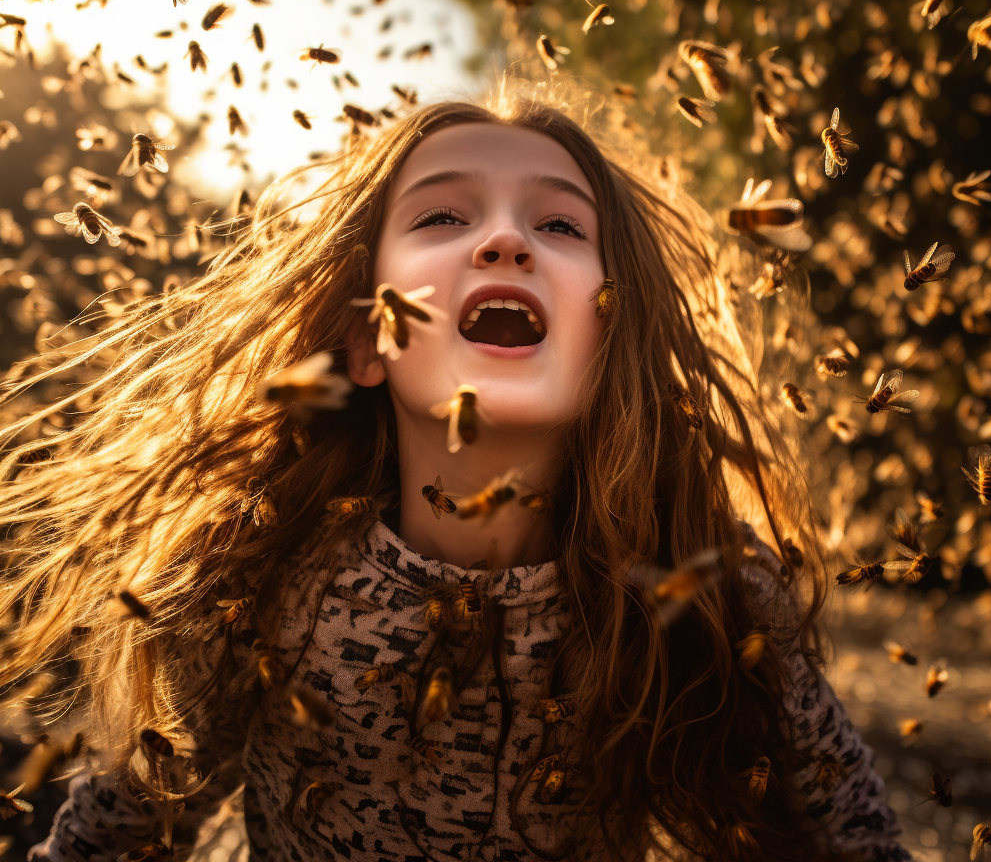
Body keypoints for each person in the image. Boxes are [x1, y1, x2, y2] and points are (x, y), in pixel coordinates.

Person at [1, 87, 910, 862]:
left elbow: (852, 838)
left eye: (558, 223)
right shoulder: (256, 582)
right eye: (443, 215)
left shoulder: (716, 605)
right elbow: (115, 835)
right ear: (366, 338)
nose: (506, 240)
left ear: (613, 335)